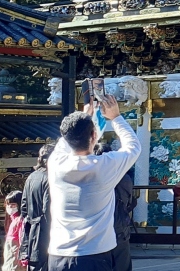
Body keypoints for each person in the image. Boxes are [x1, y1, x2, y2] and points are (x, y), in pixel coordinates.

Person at [47, 95, 141, 271]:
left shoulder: (55, 163)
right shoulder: (104, 166)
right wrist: (116, 117)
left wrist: (86, 116)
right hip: (94, 254)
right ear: (94, 136)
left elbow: (68, 140)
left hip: (58, 254)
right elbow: (133, 147)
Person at [20, 145, 53, 271]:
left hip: (31, 228)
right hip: (45, 231)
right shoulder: (50, 178)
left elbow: (23, 206)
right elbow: (47, 210)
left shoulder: (31, 177)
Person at [111, 169, 136, 271]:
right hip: (120, 230)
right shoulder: (125, 178)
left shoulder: (96, 177)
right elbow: (130, 201)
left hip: (100, 231)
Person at [4, 192, 26, 271]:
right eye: (8, 204)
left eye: (13, 205)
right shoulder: (13, 220)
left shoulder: (20, 220)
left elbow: (22, 241)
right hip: (10, 259)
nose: (10, 207)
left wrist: (24, 260)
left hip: (16, 261)